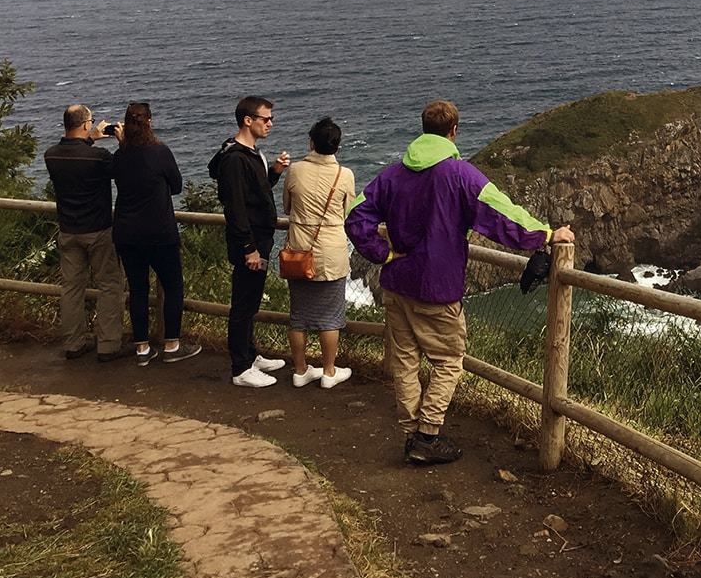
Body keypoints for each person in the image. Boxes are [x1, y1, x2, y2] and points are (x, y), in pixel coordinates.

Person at [346, 99, 573, 464]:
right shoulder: (460, 174)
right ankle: (427, 435)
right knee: (449, 361)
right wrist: (547, 235)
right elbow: (503, 216)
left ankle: (410, 435)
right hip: (437, 287)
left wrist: (382, 253)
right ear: (454, 131)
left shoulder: (392, 175)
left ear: (423, 129)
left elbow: (355, 215)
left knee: (405, 363)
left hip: (396, 284)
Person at [111, 101, 202, 366]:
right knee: (173, 286)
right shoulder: (160, 152)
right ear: (149, 122)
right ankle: (172, 345)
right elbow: (176, 185)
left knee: (138, 289)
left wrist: (121, 144)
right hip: (159, 231)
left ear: (125, 125)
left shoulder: (120, 155)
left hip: (126, 233)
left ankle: (142, 349)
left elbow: (119, 174)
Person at [209, 95, 290, 387]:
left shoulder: (250, 153)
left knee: (251, 301)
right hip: (250, 241)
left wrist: (274, 173)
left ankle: (250, 354)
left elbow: (255, 191)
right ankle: (240, 368)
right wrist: (249, 248)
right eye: (265, 119)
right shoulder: (235, 159)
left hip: (259, 237)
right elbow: (236, 206)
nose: (270, 123)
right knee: (243, 304)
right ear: (248, 120)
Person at [43, 104, 128, 362]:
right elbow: (123, 171)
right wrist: (123, 143)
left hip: (68, 230)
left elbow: (76, 156)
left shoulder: (51, 155)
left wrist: (89, 140)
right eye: (90, 122)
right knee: (110, 285)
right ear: (84, 124)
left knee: (70, 288)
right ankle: (109, 345)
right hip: (99, 230)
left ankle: (73, 343)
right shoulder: (99, 157)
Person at [282, 116, 354, 390]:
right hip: (332, 253)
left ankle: (300, 371)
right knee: (330, 317)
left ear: (311, 142)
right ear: (336, 146)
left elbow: (288, 208)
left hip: (300, 252)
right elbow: (346, 212)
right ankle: (328, 371)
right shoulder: (344, 175)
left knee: (298, 316)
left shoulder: (295, 170)